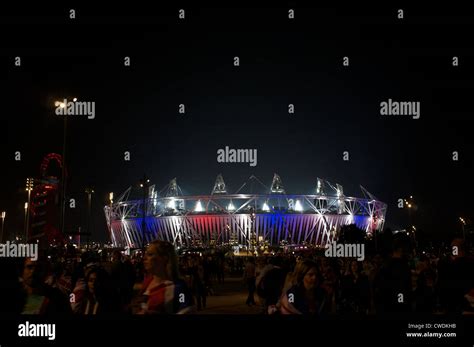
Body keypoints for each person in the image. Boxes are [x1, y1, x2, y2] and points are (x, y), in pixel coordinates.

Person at [133, 240, 194, 314]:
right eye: (146, 254)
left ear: (164, 258)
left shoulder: (179, 289)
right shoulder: (147, 282)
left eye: (150, 254)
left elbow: (185, 309)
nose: (144, 258)